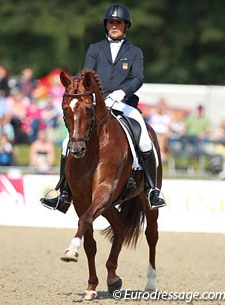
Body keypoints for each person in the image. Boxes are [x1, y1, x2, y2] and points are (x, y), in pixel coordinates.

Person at [41, 3, 166, 212]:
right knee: (66, 143)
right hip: (97, 105)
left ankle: (152, 190)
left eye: (118, 23)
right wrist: (95, 97)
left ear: (126, 26)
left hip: (124, 104)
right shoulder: (95, 48)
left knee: (144, 138)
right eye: (111, 22)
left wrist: (121, 93)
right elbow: (86, 74)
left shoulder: (135, 51)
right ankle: (63, 192)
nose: (114, 26)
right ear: (106, 25)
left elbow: (138, 78)